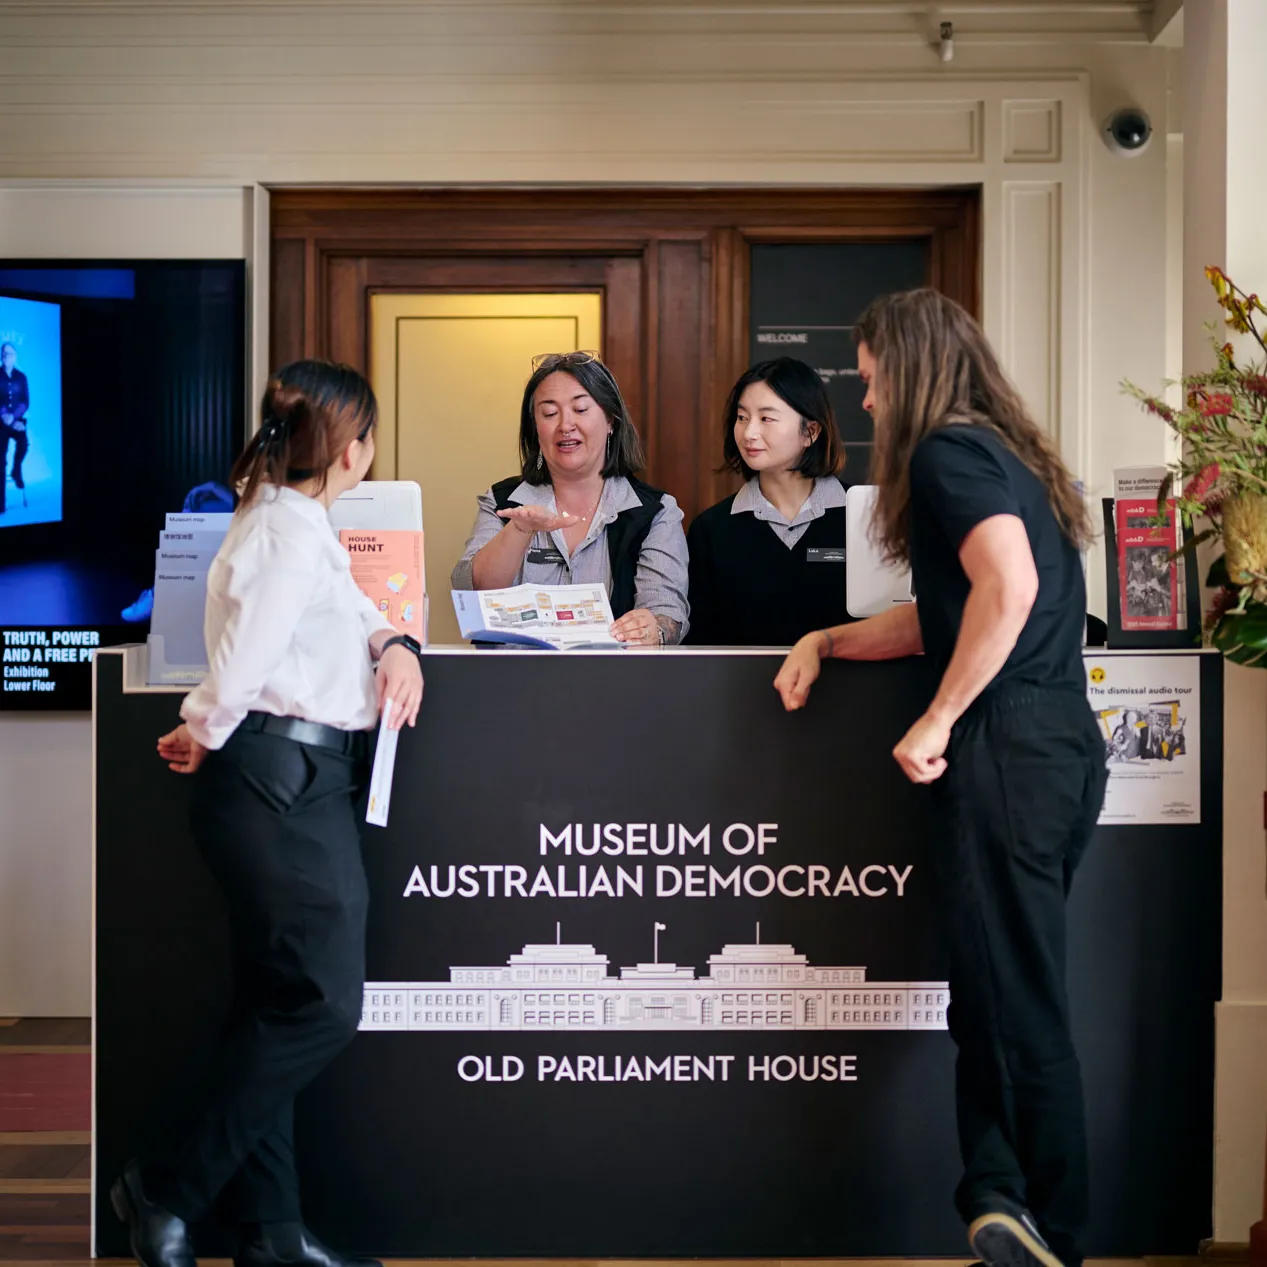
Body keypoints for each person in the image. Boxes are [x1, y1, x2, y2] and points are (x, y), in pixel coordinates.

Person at [773, 289, 1106, 1267]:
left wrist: (938, 716)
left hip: (1005, 747)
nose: (866, 404)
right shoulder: (1004, 458)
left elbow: (1010, 589)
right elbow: (946, 614)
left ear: (910, 370)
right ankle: (999, 1198)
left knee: (1015, 1000)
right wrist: (828, 639)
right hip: (1051, 749)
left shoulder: (946, 455)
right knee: (993, 993)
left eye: (870, 381)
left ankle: (1057, 1229)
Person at [110, 360, 424, 1267]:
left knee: (274, 1003)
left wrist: (393, 640)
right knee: (323, 1004)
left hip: (281, 776)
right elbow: (244, 661)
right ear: (352, 446)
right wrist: (203, 725)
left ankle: (270, 1232)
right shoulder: (287, 532)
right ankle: (163, 1183)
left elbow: (352, 608)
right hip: (279, 775)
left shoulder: (290, 522)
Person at [451, 351, 690, 646]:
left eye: (580, 409)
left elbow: (668, 615)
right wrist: (520, 530)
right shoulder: (504, 501)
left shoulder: (655, 512)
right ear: (536, 430)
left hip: (614, 683)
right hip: (512, 683)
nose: (565, 425)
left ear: (611, 420)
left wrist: (654, 628)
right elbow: (471, 591)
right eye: (550, 414)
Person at [684, 357, 850, 646]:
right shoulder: (711, 530)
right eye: (742, 417)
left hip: (853, 687)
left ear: (810, 432)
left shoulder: (864, 517)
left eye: (766, 418)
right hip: (742, 689)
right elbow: (702, 641)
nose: (749, 433)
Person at [0, 341, 30, 514]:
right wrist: (4, 414)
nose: (6, 357)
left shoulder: (21, 376)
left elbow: (26, 401)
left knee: (23, 443)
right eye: (3, 353)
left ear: (15, 356)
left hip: (17, 420)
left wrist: (15, 417)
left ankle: (16, 470)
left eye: (9, 353)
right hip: (0, 422)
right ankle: (0, 503)